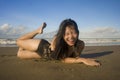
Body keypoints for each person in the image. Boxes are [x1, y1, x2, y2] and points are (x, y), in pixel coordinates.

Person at [16, 19, 100, 66]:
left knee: (19, 54)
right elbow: (64, 59)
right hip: (42, 47)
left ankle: (25, 45)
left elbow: (72, 58)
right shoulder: (58, 42)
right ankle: (37, 31)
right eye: (67, 34)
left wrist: (84, 59)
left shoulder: (80, 44)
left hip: (42, 56)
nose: (71, 37)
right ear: (62, 35)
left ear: (78, 32)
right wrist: (83, 60)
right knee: (19, 41)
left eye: (74, 33)